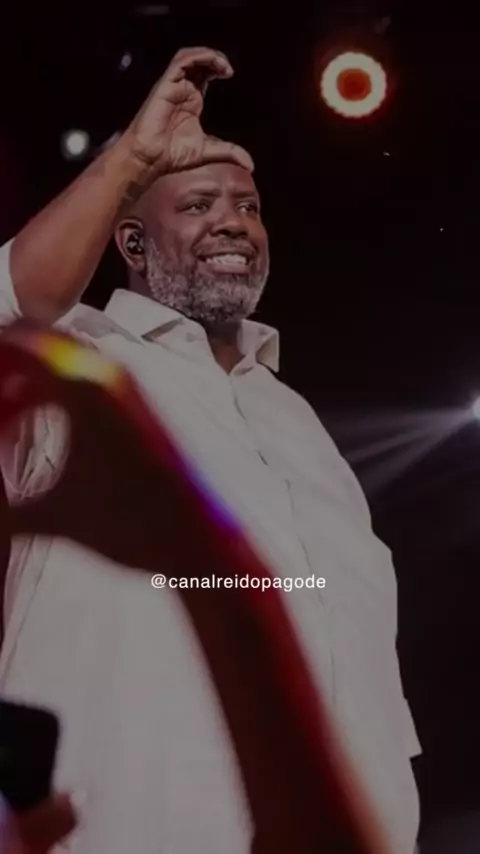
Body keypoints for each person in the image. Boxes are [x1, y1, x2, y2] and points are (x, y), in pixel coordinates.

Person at [0, 47, 421, 853]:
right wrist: (134, 157)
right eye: (198, 204)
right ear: (130, 242)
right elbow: (10, 307)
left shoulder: (294, 416)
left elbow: (361, 654)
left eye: (249, 207)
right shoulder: (79, 366)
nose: (233, 223)